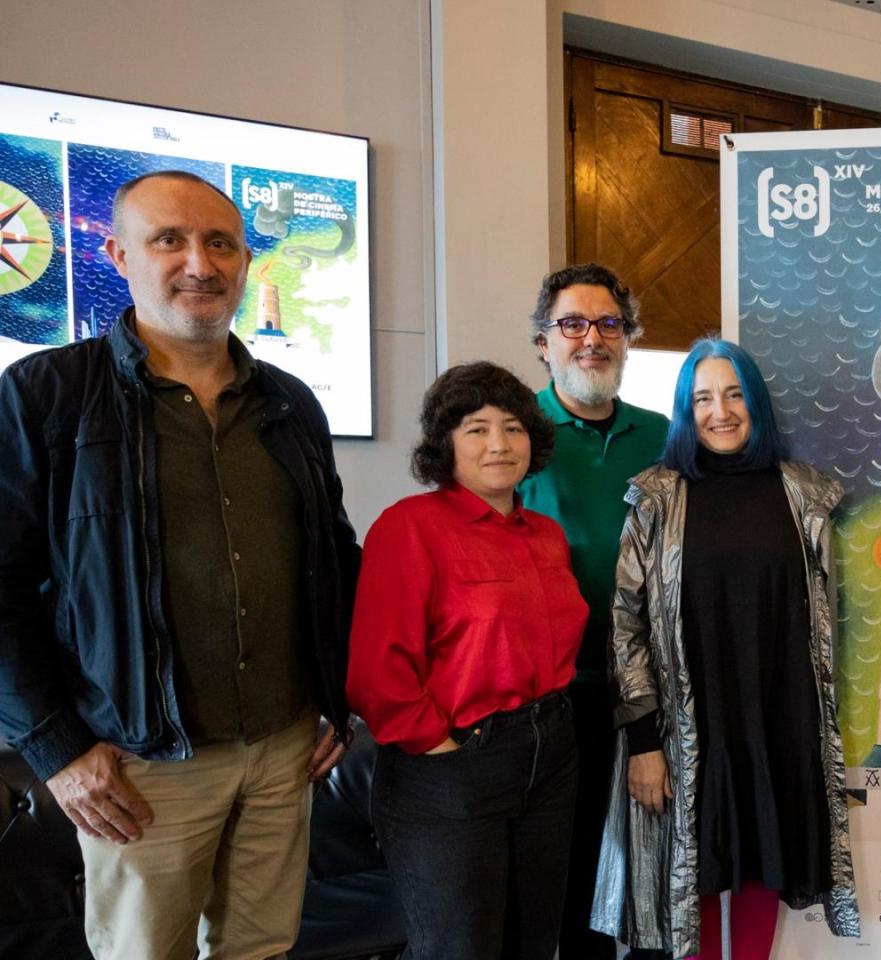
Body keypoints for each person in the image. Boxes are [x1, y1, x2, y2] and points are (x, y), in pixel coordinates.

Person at [0, 170, 360, 958]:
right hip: (141, 766)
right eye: (170, 239)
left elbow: (333, 558)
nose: (200, 263)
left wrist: (340, 698)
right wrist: (56, 750)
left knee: (262, 950)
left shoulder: (291, 403)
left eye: (220, 243)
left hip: (284, 749)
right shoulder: (47, 394)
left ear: (244, 261)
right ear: (119, 255)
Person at [590, 338, 860, 959]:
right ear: (685, 411)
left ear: (757, 403)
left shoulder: (803, 494)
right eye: (703, 398)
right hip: (688, 728)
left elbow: (823, 615)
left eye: (735, 394)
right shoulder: (657, 498)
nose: (720, 411)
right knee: (697, 877)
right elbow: (625, 624)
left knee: (767, 862)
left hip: (779, 722)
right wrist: (643, 741)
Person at [346, 361, 589, 960]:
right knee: (460, 948)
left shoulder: (546, 535)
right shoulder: (410, 527)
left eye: (513, 428)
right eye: (477, 429)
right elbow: (377, 673)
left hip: (550, 756)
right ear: (445, 444)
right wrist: (442, 751)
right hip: (453, 763)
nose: (499, 444)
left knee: (535, 944)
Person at [514, 263, 669, 960]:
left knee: (654, 868)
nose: (592, 339)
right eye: (572, 324)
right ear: (543, 342)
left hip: (652, 692)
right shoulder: (513, 436)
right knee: (574, 879)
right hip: (551, 695)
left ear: (628, 339)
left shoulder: (663, 437)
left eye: (609, 324)